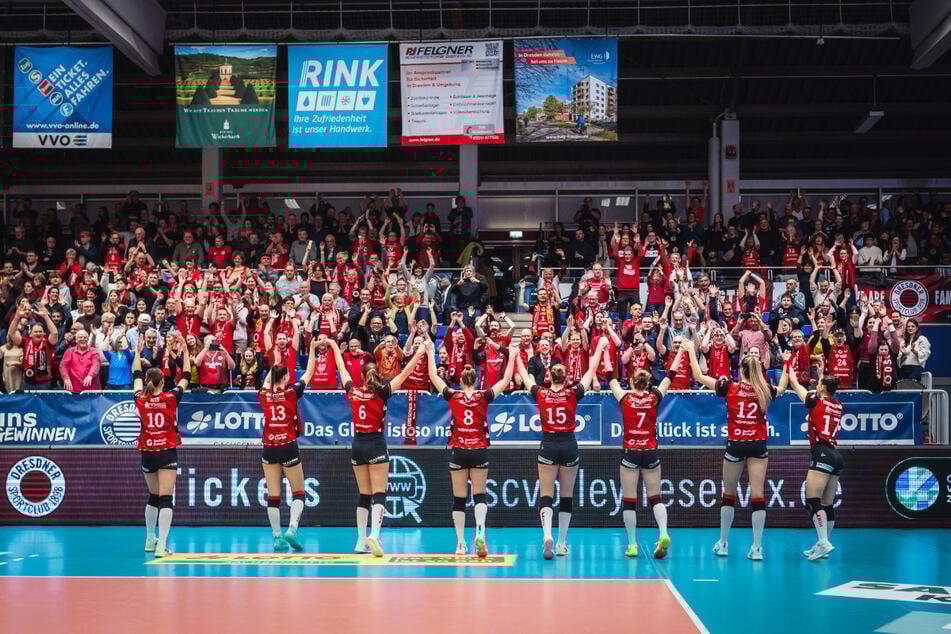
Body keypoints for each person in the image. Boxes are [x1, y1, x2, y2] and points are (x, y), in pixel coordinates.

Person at [329, 338, 426, 557]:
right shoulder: (382, 392)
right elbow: (405, 373)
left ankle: (360, 540)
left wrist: (335, 346)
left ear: (362, 376)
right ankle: (374, 534)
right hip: (376, 444)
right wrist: (421, 351)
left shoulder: (353, 391)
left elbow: (342, 368)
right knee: (379, 492)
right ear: (376, 374)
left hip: (357, 445)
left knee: (364, 494)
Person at [683, 340, 777, 561]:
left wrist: (690, 350)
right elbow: (783, 387)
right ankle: (757, 548)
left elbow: (699, 377)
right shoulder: (765, 390)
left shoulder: (731, 388)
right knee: (758, 495)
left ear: (740, 370)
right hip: (758, 443)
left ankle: (723, 543)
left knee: (728, 493)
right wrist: (788, 365)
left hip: (736, 443)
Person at [515, 338, 607, 560]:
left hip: (548, 444)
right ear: (566, 378)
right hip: (569, 444)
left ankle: (547, 534)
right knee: (566, 496)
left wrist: (515, 356)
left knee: (546, 494)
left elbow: (525, 377)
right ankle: (561, 542)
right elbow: (591, 370)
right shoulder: (572, 393)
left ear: (549, 377)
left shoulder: (541, 393)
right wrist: (600, 347)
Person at [426, 339, 517, 557]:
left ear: (460, 381)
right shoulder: (483, 396)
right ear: (477, 381)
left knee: (459, 499)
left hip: (459, 450)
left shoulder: (453, 395)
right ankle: (480, 532)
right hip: (479, 450)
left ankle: (460, 544)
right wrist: (513, 357)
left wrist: (430, 352)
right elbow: (506, 380)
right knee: (480, 495)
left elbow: (433, 376)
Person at [606, 345, 684, 560]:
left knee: (629, 500)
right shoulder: (654, 398)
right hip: (650, 451)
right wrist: (681, 351)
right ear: (648, 383)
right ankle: (663, 533)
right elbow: (670, 375)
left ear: (632, 382)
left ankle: (632, 545)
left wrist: (604, 351)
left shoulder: (625, 398)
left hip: (631, 452)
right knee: (655, 497)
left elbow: (609, 376)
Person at [257, 337, 320, 551]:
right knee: (299, 492)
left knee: (273, 495)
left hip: (269, 447)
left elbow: (266, 383)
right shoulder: (292, 392)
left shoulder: (264, 394)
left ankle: (277, 537)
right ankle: (292, 529)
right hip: (288, 445)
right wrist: (312, 349)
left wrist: (275, 363)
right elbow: (309, 373)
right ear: (285, 377)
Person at [133, 332, 190, 558]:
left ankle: (149, 539)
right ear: (163, 382)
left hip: (147, 451)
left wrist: (137, 352)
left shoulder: (140, 398)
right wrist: (185, 349)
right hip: (166, 451)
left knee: (153, 496)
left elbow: (136, 374)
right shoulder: (170, 398)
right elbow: (187, 375)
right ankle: (162, 545)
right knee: (166, 498)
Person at [779, 357, 842, 561]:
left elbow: (795, 384)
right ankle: (823, 543)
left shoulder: (815, 400)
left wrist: (787, 363)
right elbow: (825, 391)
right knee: (827, 504)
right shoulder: (837, 405)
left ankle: (823, 542)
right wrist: (822, 374)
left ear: (821, 387)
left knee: (813, 501)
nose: (816, 383)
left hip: (821, 452)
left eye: (819, 382)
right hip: (835, 455)